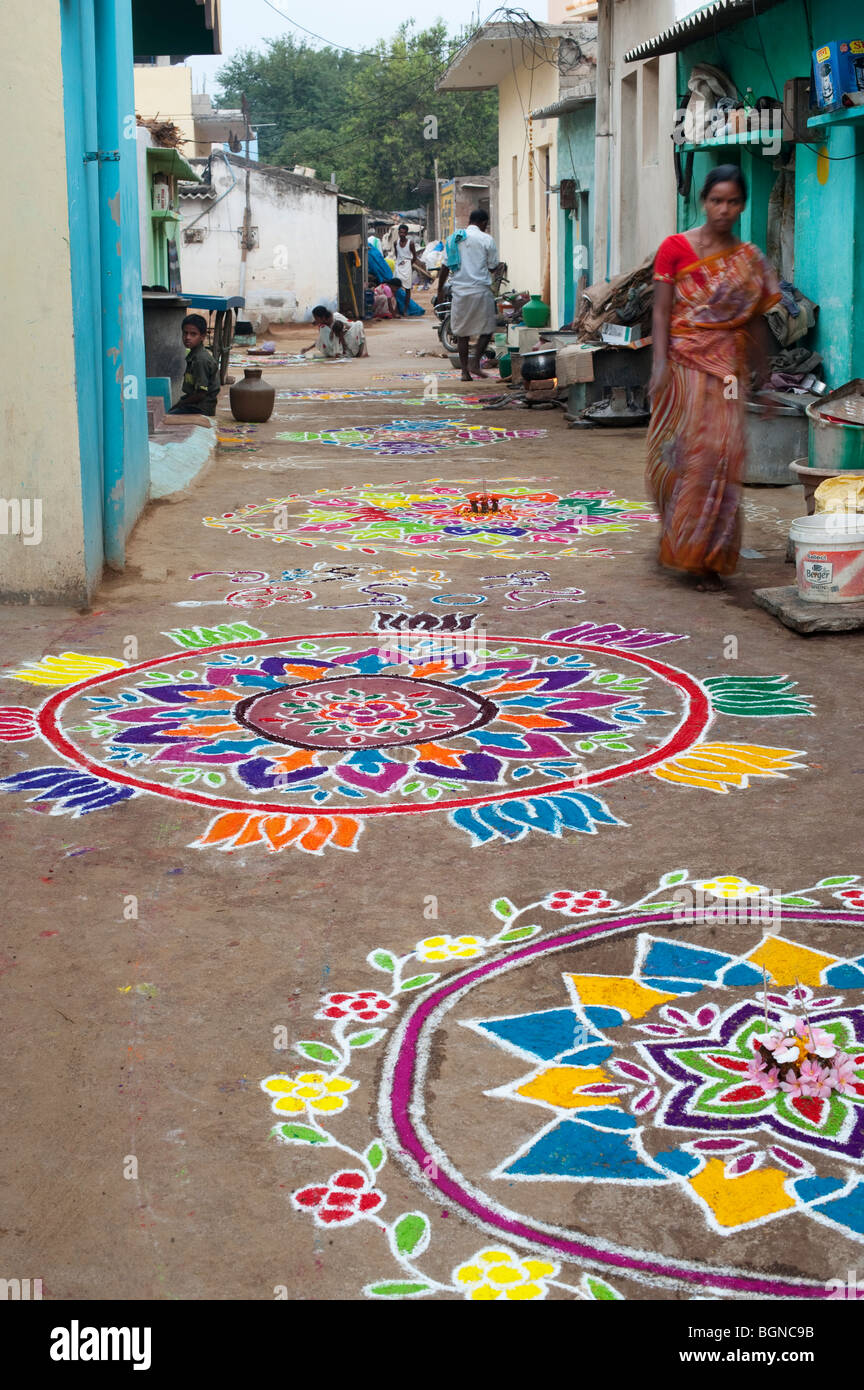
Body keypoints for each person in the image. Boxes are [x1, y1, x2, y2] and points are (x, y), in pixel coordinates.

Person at [647, 166, 781, 591]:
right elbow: (661, 312)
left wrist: (767, 375)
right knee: (675, 459)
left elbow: (757, 319)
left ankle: (706, 558)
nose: (724, 210)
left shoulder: (749, 260)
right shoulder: (674, 248)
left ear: (742, 205)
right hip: (684, 363)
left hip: (728, 369)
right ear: (703, 201)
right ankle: (680, 534)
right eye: (716, 200)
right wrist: (658, 365)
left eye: (733, 201)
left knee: (721, 458)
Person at [434, 208, 502, 381]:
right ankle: (475, 363)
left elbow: (445, 267)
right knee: (487, 330)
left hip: (460, 292)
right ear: (483, 223)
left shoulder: (454, 240)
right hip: (480, 290)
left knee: (461, 333)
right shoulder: (487, 239)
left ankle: (464, 371)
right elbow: (493, 266)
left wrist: (440, 290)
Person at [169, 314, 221, 415]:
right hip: (194, 405)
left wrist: (181, 404)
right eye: (185, 333)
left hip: (201, 408)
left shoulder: (200, 360)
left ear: (202, 337)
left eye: (193, 334)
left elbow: (201, 394)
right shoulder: (194, 355)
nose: (187, 337)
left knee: (167, 417)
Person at [302, 305, 368, 358]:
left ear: (323, 317)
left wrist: (341, 331)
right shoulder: (323, 326)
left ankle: (363, 352)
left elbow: (352, 326)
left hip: (347, 341)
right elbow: (321, 339)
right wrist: (308, 348)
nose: (315, 320)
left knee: (359, 323)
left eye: (316, 318)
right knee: (323, 328)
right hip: (334, 347)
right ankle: (336, 353)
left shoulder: (336, 317)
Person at [393, 224, 417, 317]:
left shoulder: (410, 243)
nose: (402, 234)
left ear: (406, 233)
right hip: (399, 265)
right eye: (400, 232)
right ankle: (396, 308)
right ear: (398, 232)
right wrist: (399, 263)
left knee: (407, 289)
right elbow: (397, 254)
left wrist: (408, 264)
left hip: (407, 266)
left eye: (404, 232)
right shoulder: (396, 243)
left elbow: (414, 257)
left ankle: (405, 310)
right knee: (395, 288)